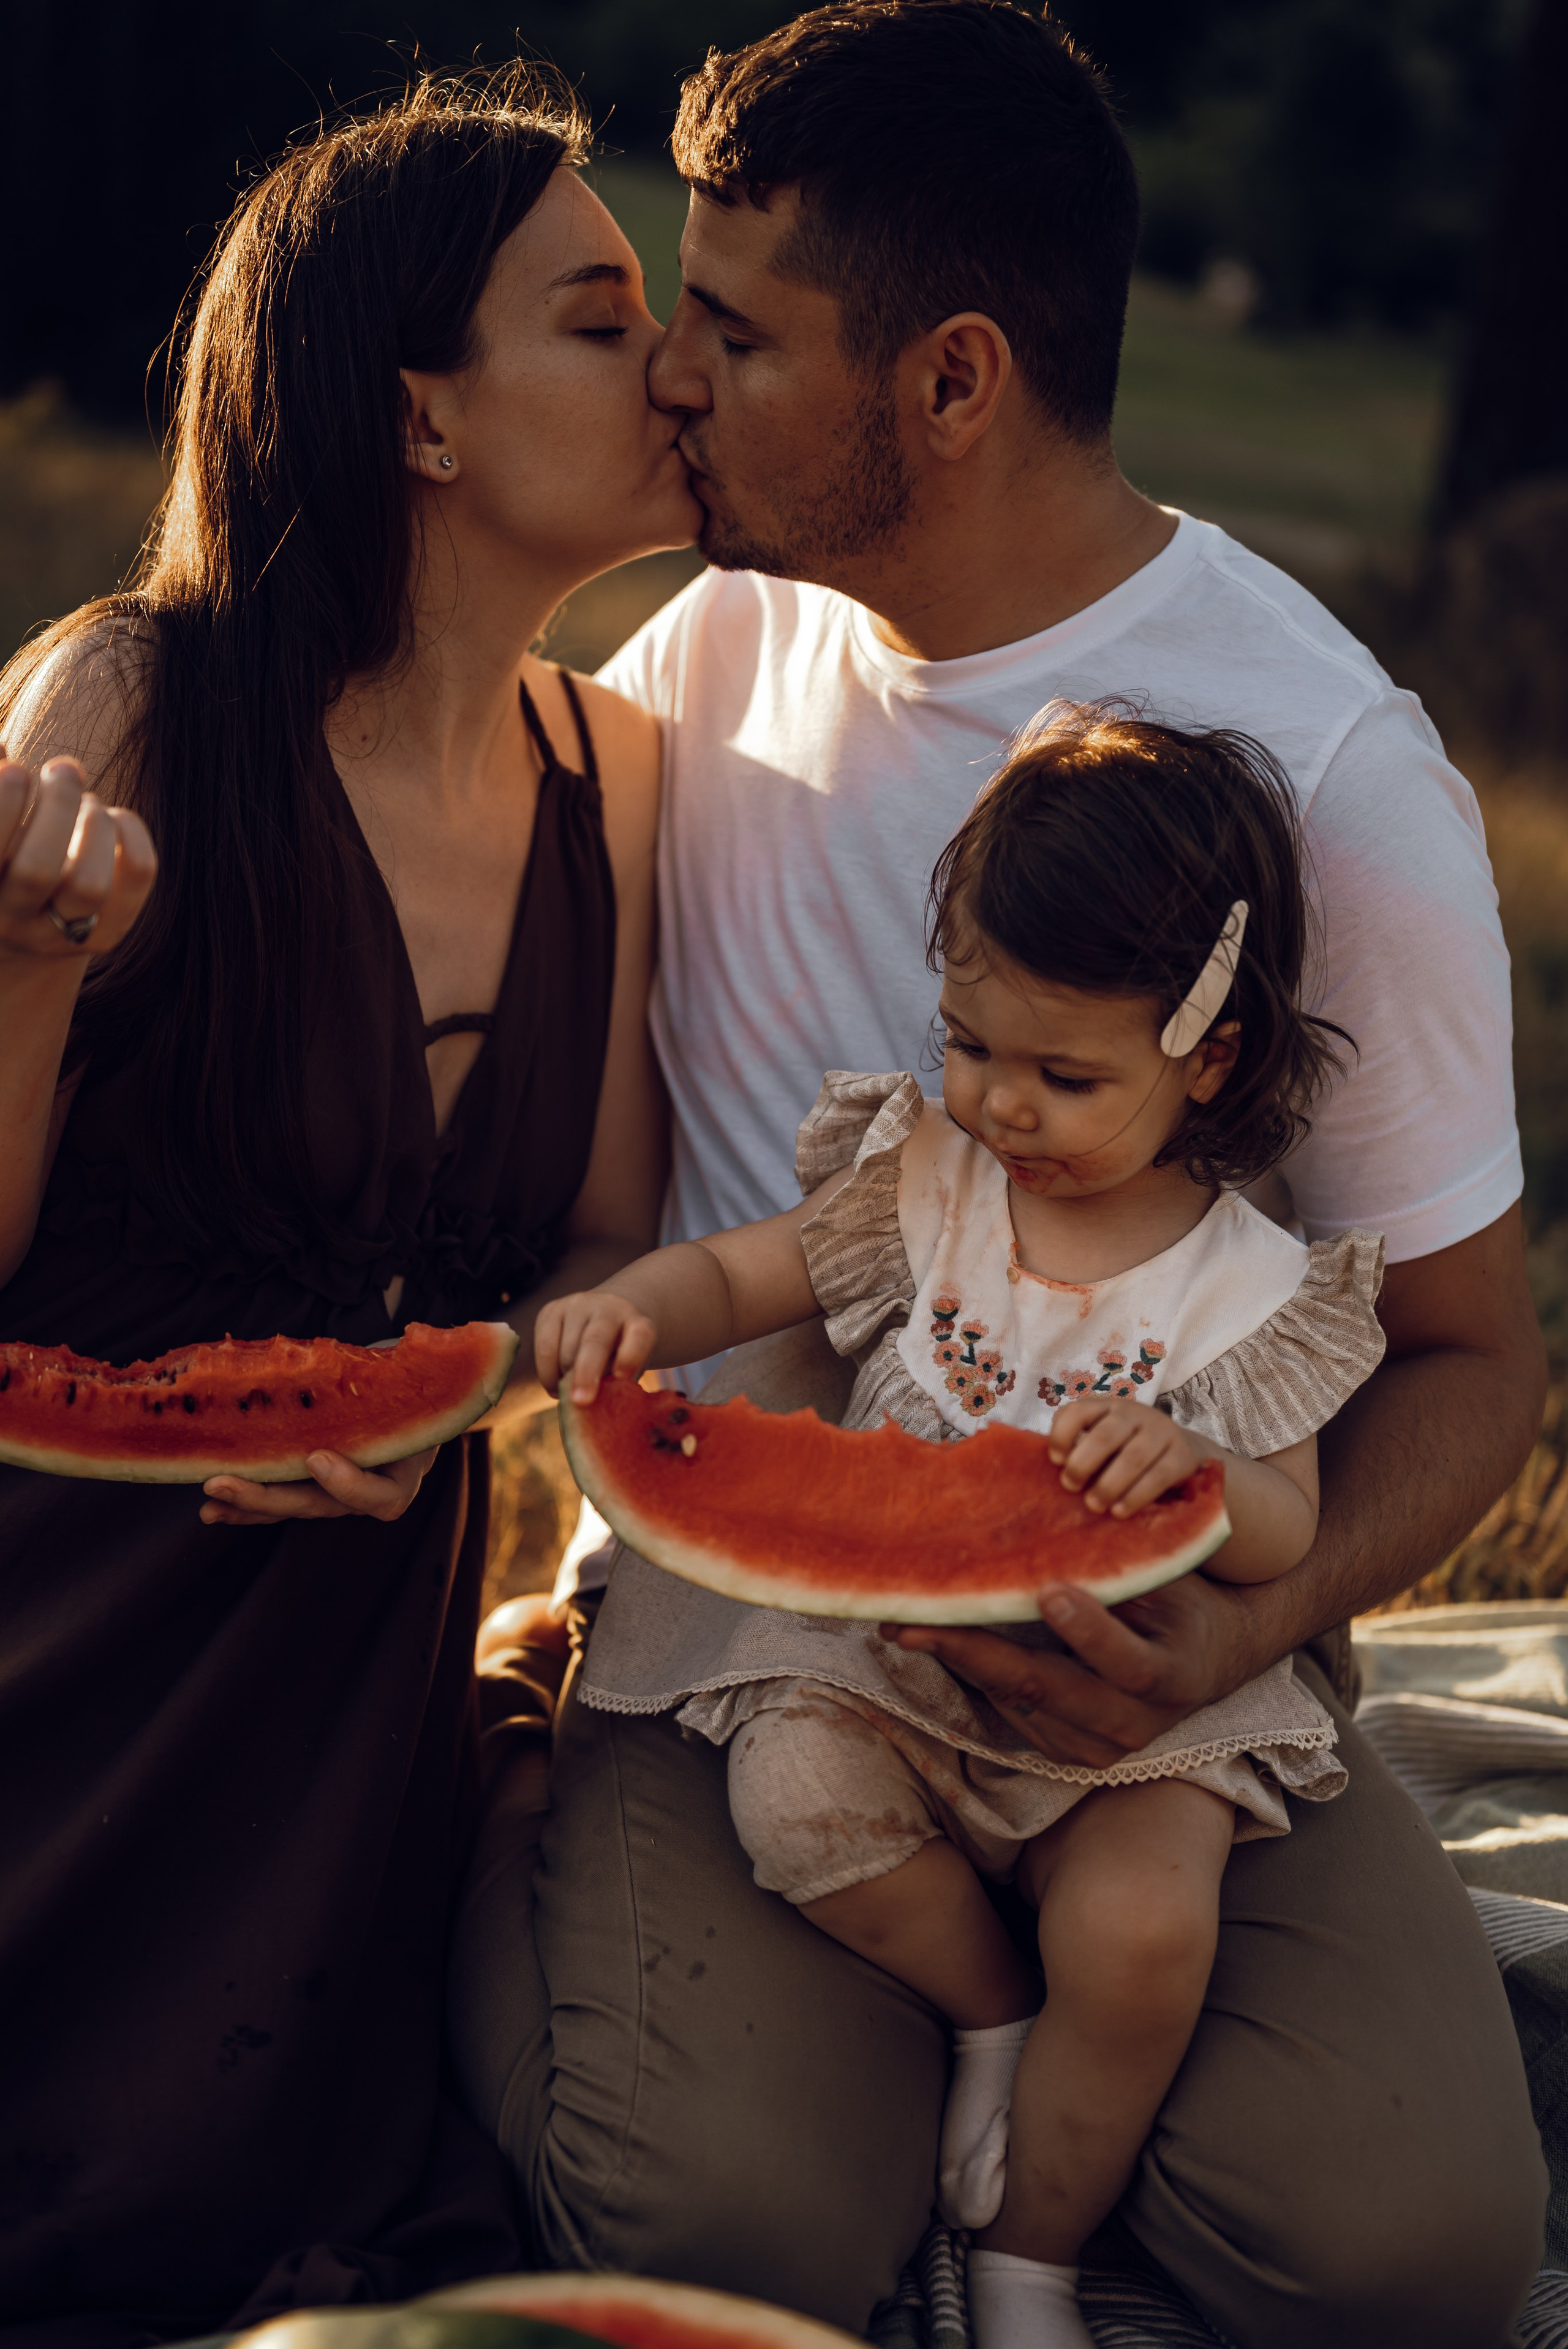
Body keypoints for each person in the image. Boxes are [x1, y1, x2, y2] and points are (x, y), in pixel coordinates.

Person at [453, 6, 1547, 2344]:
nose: (674, 382)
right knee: (738, 2237)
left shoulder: (1331, 774)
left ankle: (1029, 2143)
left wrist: (1235, 1627)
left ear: (953, 381)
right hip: (743, 1623)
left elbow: (1469, 1361)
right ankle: (541, 1814)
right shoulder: (707, 658)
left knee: (1417, 2257)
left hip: (1150, 1664)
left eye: (739, 335)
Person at [0, 68, 691, 2347]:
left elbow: (599, 1235)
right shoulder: (129, 698)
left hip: (340, 1709)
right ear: (421, 416)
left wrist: (460, 1402)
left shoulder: (617, 770)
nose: (675, 362)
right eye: (598, 318)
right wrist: (21, 966)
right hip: (58, 1635)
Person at [539, 706, 1390, 2349]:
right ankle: (990, 2009)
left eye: (1067, 1077)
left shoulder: (1247, 1284)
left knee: (1144, 1933)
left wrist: (1194, 1470)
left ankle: (1029, 2257)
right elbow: (735, 1274)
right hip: (884, 1665)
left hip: (1131, 1720)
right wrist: (636, 1309)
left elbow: (1285, 1525)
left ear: (1209, 1057)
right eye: (971, 1045)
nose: (1003, 1105)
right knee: (790, 1794)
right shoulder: (922, 1182)